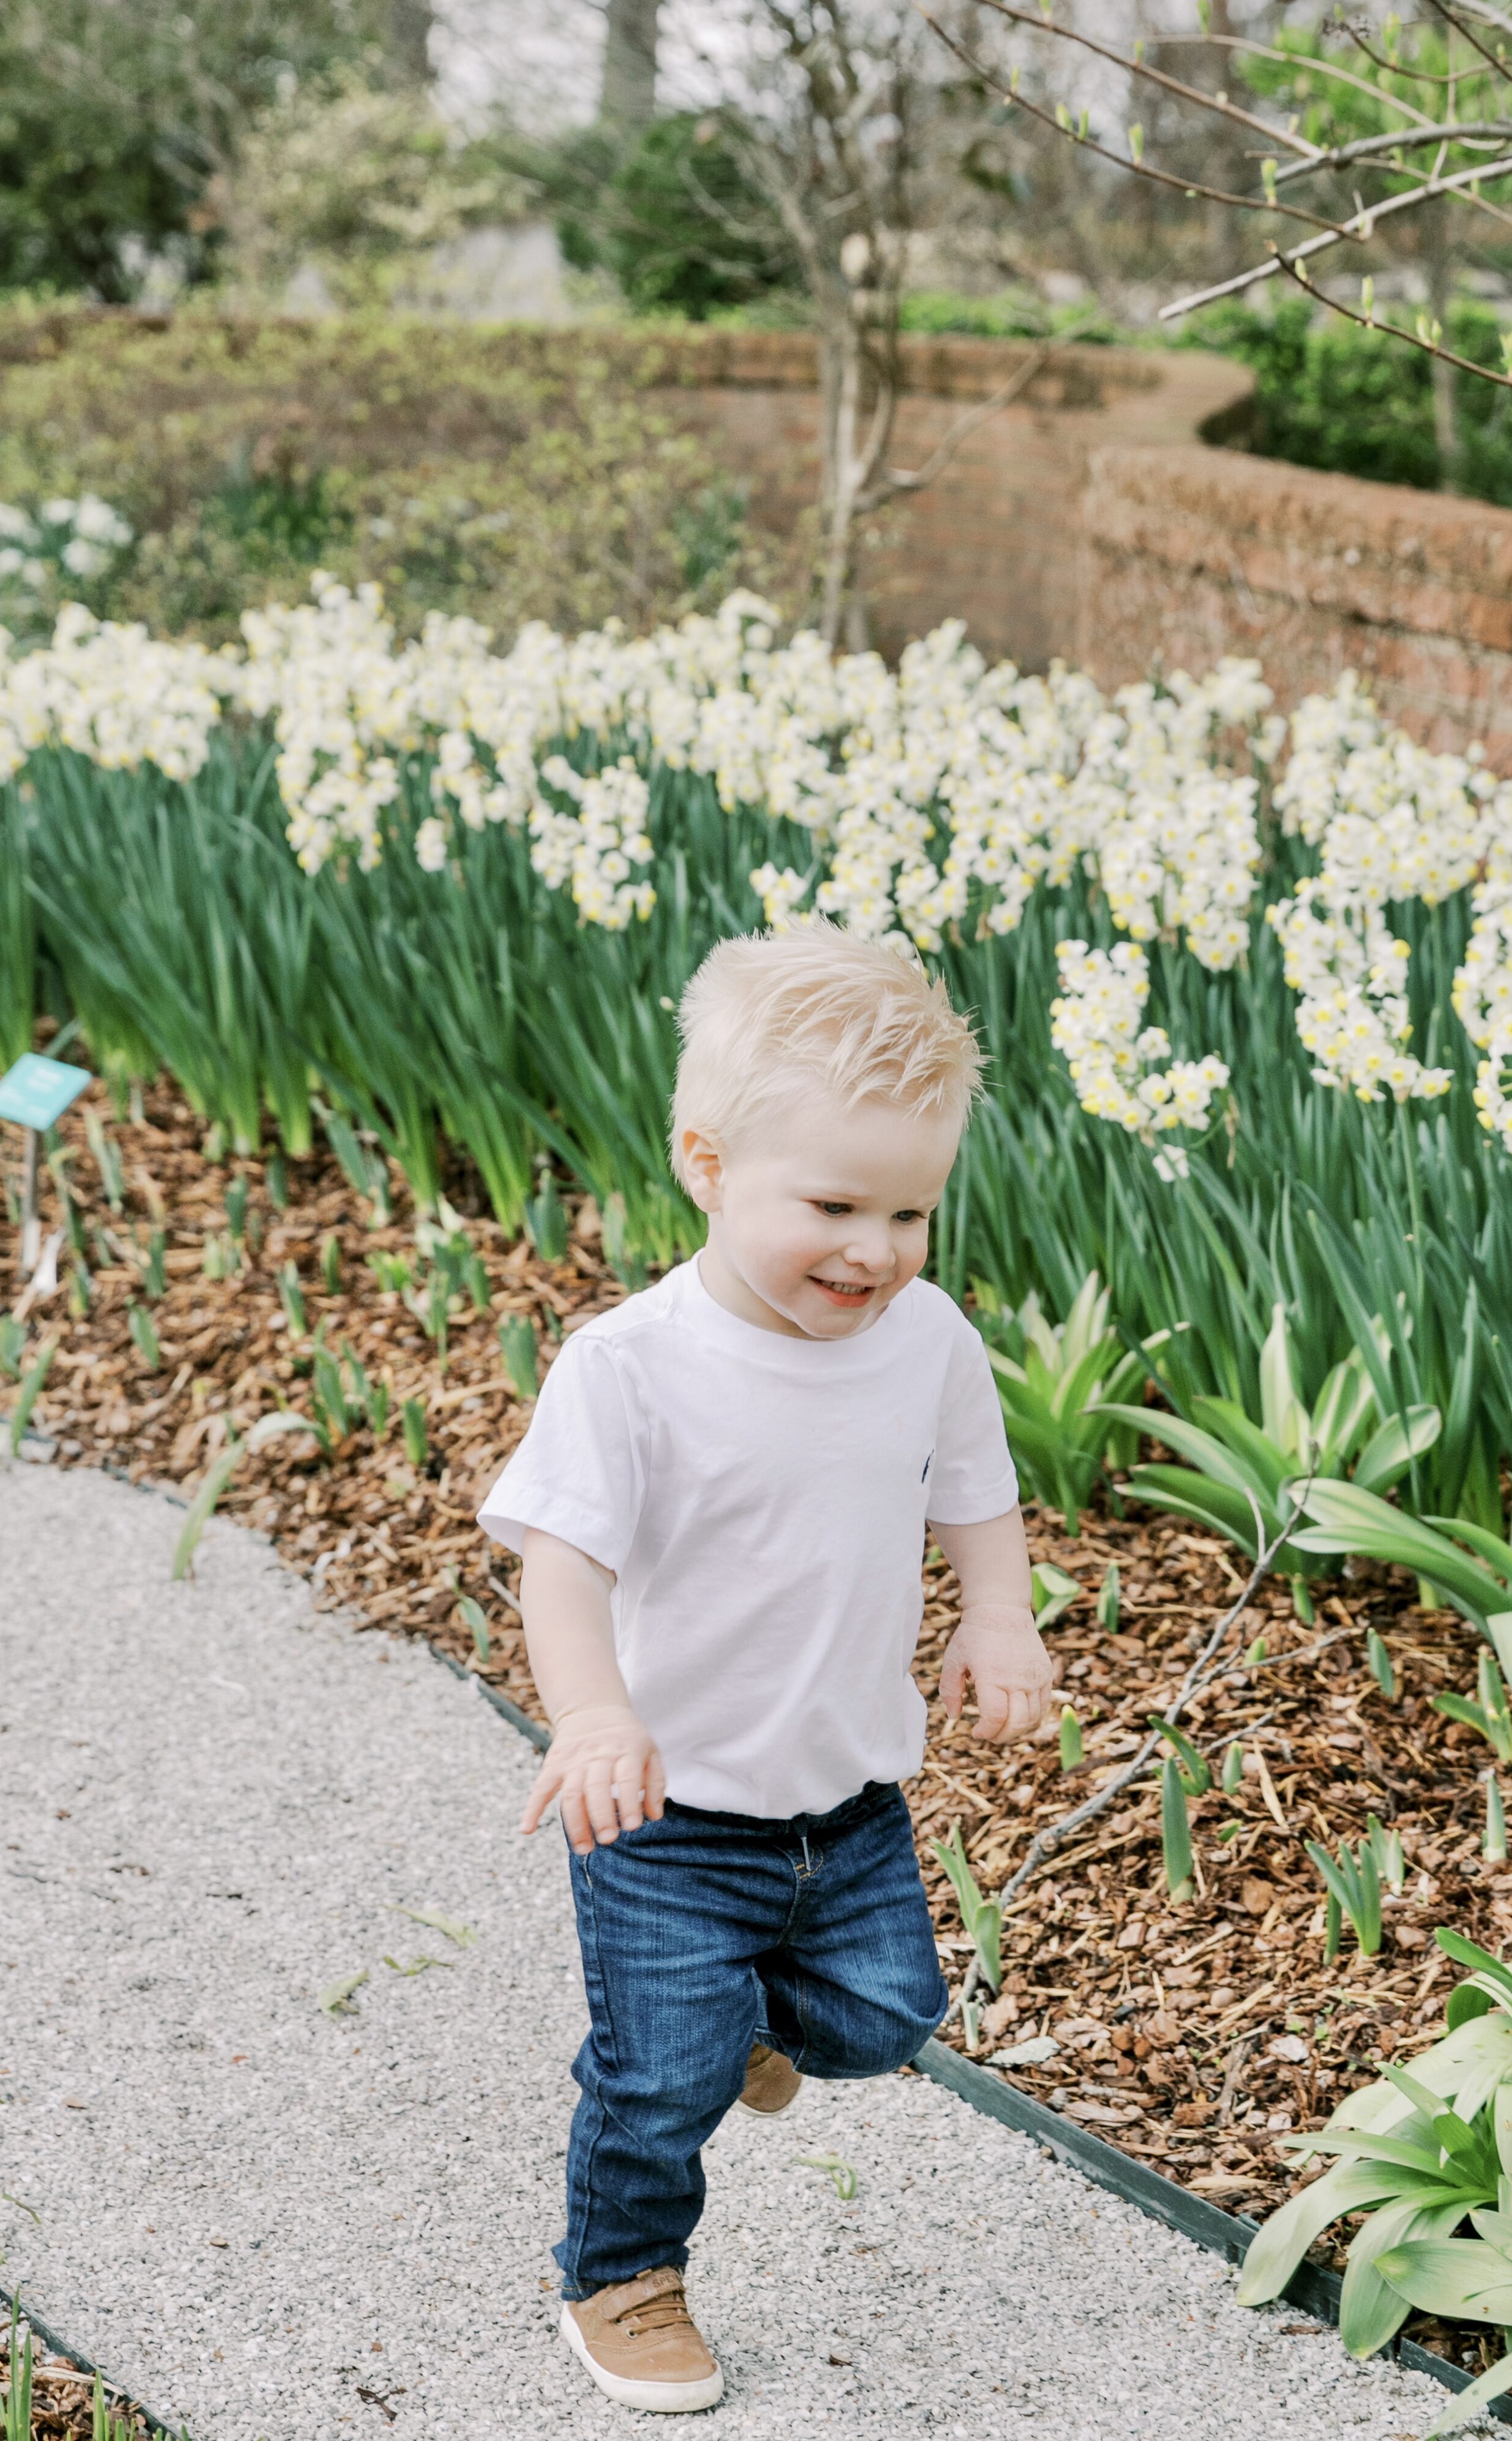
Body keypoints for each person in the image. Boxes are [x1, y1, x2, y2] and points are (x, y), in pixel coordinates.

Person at [478, 919, 1052, 2414]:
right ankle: (621, 2275)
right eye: (834, 1203)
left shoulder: (925, 1338)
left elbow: (972, 1493)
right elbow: (563, 1557)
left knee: (883, 2019)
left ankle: (758, 2025)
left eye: (910, 1210)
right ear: (707, 1164)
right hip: (665, 1817)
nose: (873, 1248)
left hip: (846, 1800)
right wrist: (592, 1710)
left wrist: (999, 1614)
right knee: (659, 2079)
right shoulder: (632, 1364)